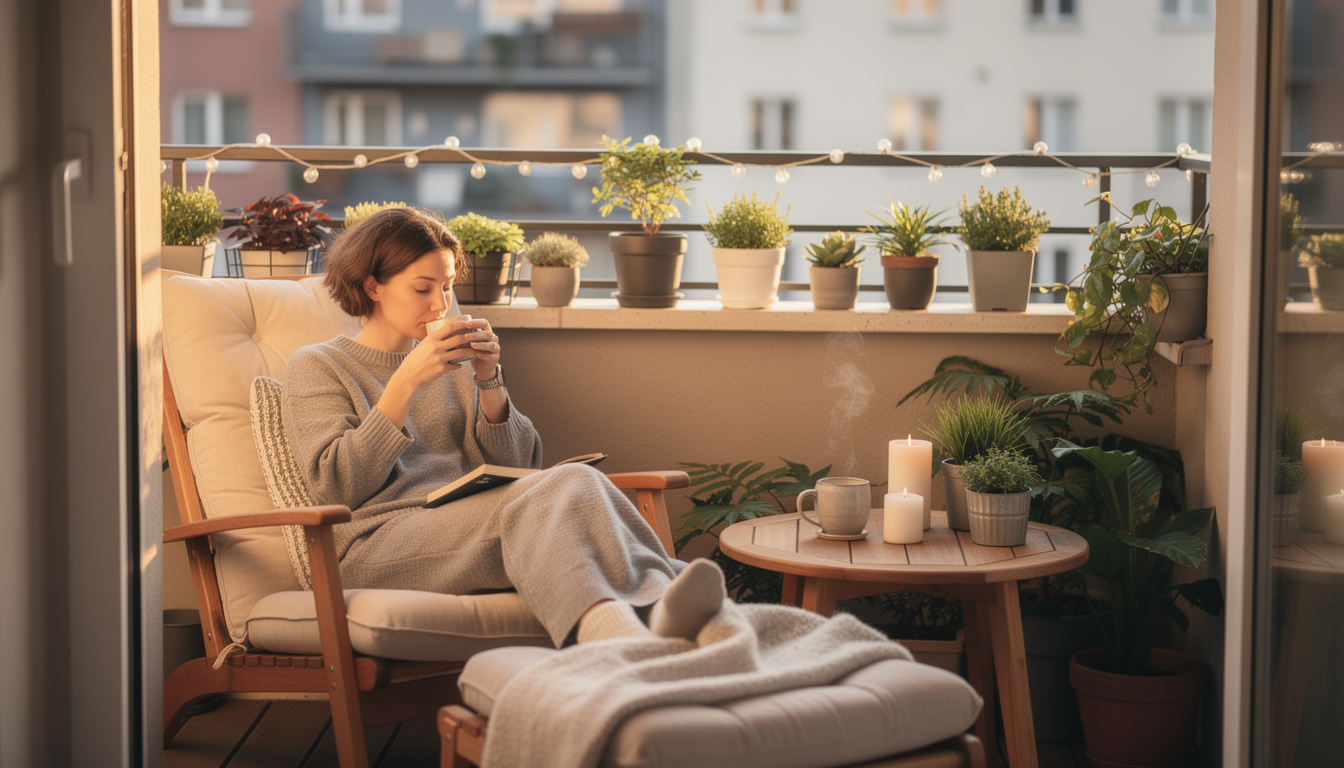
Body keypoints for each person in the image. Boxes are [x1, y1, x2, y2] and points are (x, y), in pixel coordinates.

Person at [281, 206, 724, 648]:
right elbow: (335, 487)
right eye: (423, 288)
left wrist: (489, 379)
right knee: (559, 491)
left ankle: (651, 612)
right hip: (377, 543)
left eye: (448, 287)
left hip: (471, 519)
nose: (441, 304)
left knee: (578, 478)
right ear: (372, 285)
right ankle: (652, 611)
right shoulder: (319, 365)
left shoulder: (454, 364)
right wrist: (406, 380)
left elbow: (516, 467)